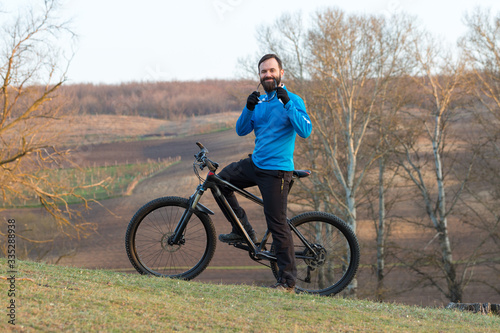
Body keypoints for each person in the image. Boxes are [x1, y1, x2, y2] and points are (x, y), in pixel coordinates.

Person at [217, 53, 312, 291]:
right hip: (256, 164)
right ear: (259, 76)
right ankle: (242, 231)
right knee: (220, 181)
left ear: (281, 73)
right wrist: (249, 108)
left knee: (277, 222)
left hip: (277, 172)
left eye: (271, 70)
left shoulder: (293, 99)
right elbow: (241, 130)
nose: (267, 75)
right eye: (263, 72)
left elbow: (305, 131)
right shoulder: (259, 103)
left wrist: (288, 103)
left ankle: (288, 282)